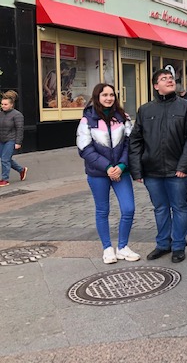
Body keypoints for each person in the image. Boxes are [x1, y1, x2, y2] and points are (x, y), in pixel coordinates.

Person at [129, 69, 187, 264]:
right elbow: (135, 140)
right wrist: (137, 170)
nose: (169, 80)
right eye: (163, 78)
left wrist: (184, 166)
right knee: (160, 208)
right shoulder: (145, 110)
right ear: (155, 86)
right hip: (152, 170)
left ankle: (178, 246)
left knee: (179, 207)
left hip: (178, 171)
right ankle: (162, 244)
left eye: (171, 78)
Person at [76, 83, 140, 264]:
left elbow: (130, 144)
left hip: (121, 171)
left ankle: (123, 247)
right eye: (104, 95)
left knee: (128, 208)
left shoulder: (123, 117)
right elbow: (85, 148)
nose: (109, 98)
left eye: (111, 95)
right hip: (98, 173)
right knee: (102, 210)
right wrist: (107, 167)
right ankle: (107, 248)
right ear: (97, 97)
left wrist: (122, 165)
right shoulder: (87, 120)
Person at [0, 91, 27, 187]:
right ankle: (21, 170)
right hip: (1, 140)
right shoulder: (1, 114)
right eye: (2, 104)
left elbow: (20, 129)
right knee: (6, 159)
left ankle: (5, 179)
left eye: (5, 104)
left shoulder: (17, 115)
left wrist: (18, 142)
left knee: (4, 159)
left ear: (11, 105)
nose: (3, 106)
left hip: (11, 140)